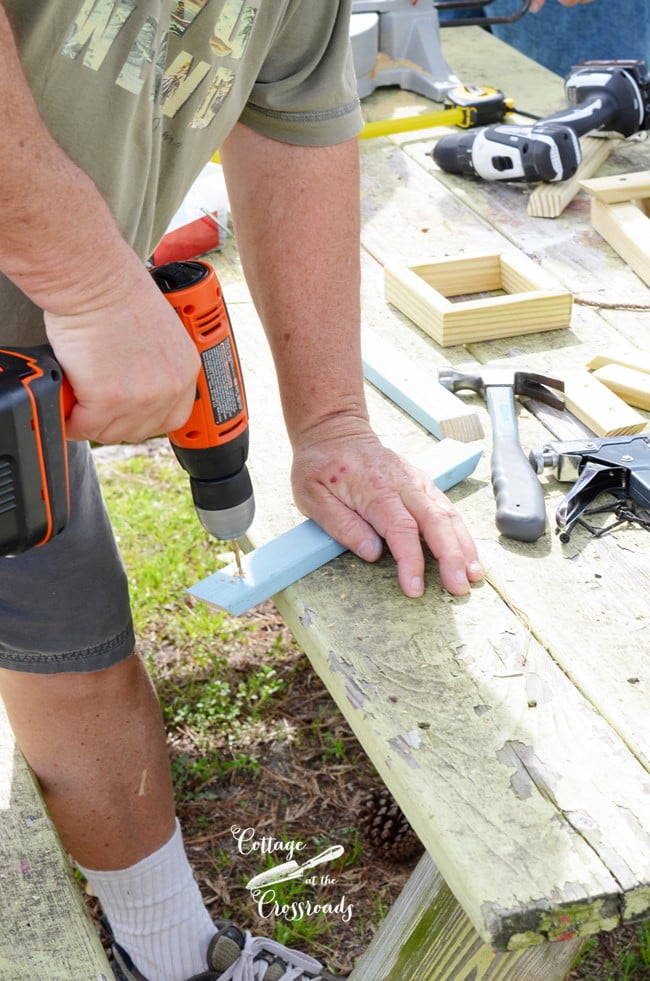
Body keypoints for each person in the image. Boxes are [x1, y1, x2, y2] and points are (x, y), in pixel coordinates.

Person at [0, 3, 483, 981]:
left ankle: (172, 957)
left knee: (77, 656)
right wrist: (92, 282)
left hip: (29, 373)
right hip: (54, 311)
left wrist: (332, 425)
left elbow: (291, 128)